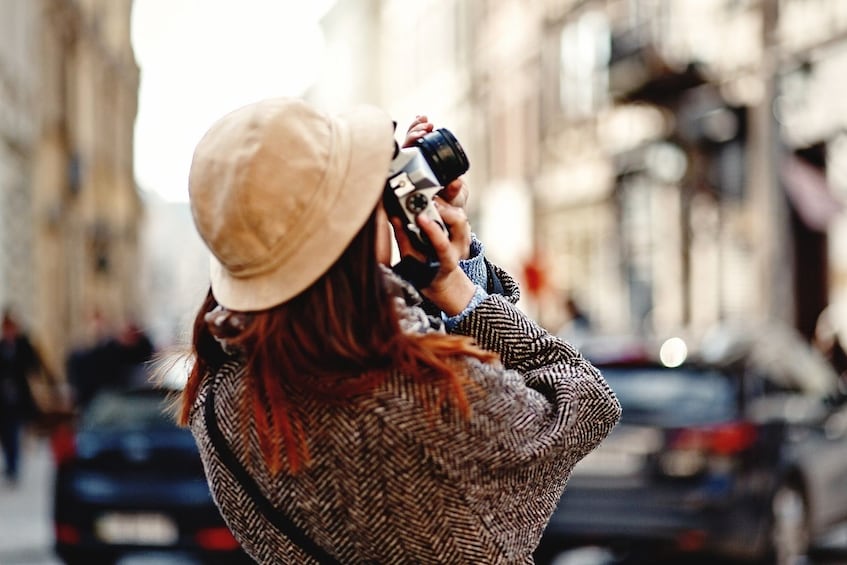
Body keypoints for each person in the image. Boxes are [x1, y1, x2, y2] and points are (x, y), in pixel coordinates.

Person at [178, 97, 621, 564]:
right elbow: (585, 402)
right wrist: (453, 285)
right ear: (349, 224)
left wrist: (443, 267)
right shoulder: (412, 389)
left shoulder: (217, 396)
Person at [0, 310, 42, 484]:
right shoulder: (1, 346)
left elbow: (34, 365)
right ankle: (9, 464)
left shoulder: (23, 344)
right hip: (3, 398)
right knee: (5, 434)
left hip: (18, 397)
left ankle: (14, 467)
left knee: (15, 431)